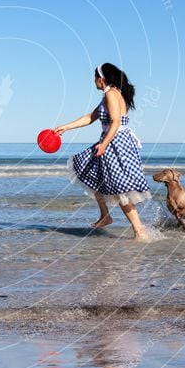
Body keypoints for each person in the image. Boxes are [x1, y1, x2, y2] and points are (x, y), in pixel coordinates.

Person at [55, 63, 152, 239]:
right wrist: (65, 127)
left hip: (115, 143)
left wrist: (105, 144)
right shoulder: (112, 94)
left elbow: (115, 122)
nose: (93, 82)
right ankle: (105, 215)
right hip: (113, 141)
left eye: (94, 78)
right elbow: (90, 118)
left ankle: (139, 231)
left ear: (101, 78)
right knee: (89, 171)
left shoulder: (111, 94)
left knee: (121, 189)